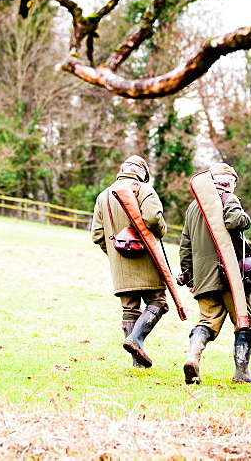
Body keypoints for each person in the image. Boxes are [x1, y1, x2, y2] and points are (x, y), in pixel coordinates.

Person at [178, 163, 251, 385]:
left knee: (206, 321)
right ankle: (241, 373)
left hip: (204, 275)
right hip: (230, 275)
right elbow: (234, 221)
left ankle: (192, 358)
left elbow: (185, 245)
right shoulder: (228, 198)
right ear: (229, 183)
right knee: (244, 322)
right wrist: (246, 218)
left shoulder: (194, 206)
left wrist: (189, 276)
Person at [90, 155, 169, 368]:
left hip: (120, 267)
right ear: (142, 173)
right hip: (147, 260)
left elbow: (97, 235)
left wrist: (116, 255)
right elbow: (153, 219)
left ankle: (138, 363)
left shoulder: (103, 196)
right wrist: (162, 230)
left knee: (130, 309)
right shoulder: (143, 189)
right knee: (158, 302)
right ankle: (136, 339)